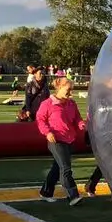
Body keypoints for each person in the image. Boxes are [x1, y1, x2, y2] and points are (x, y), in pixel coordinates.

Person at [36, 77, 85, 205]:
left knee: (57, 167)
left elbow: (77, 119)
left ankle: (45, 192)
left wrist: (81, 125)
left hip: (69, 139)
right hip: (56, 140)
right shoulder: (47, 104)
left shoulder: (71, 104)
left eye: (71, 90)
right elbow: (41, 120)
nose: (71, 93)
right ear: (59, 88)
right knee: (66, 168)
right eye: (68, 90)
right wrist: (47, 132)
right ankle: (72, 195)